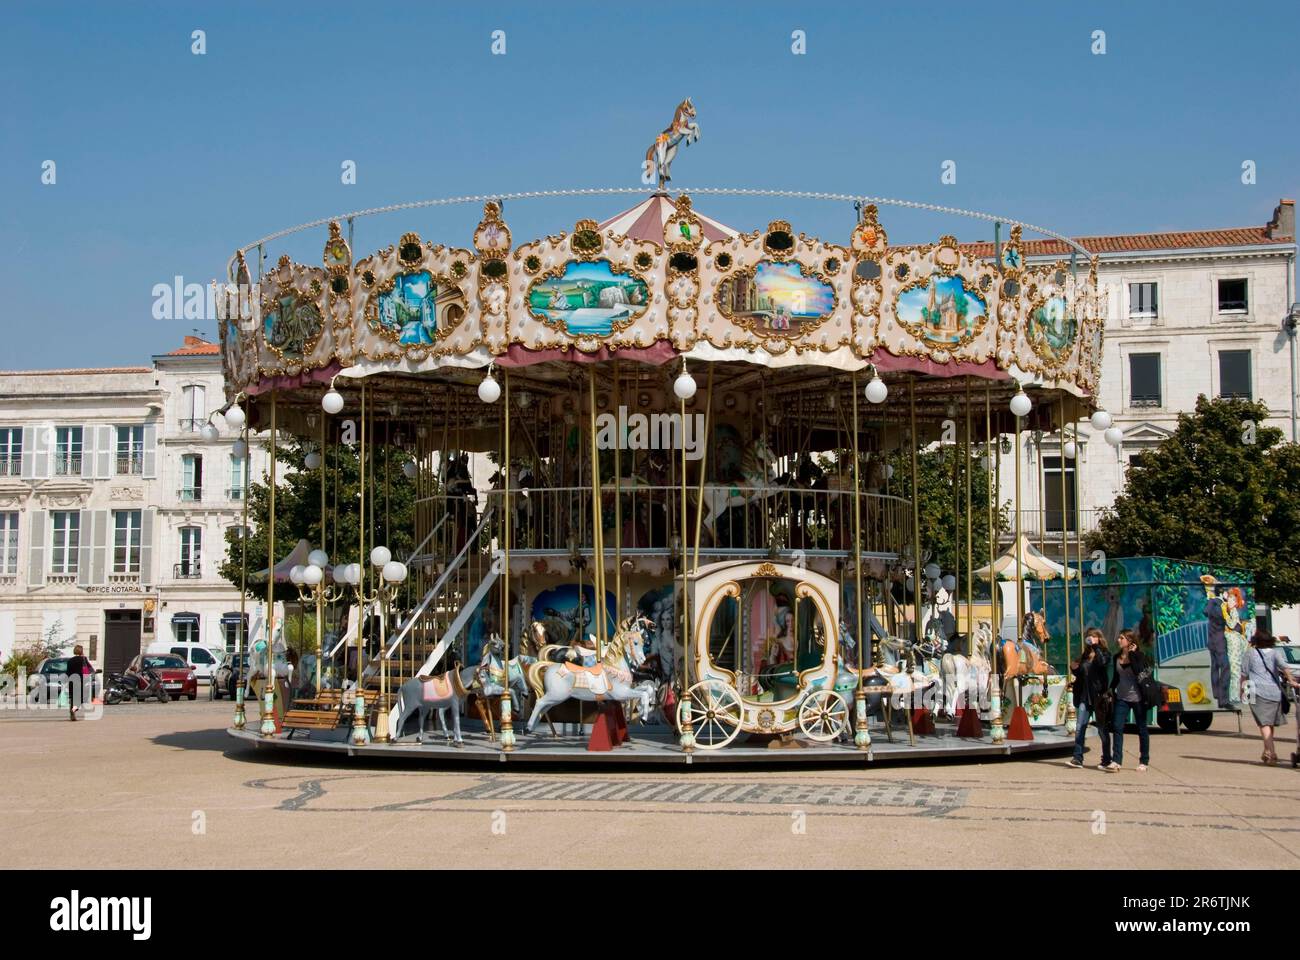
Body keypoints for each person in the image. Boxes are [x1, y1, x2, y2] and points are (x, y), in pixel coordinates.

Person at [1243, 627, 1299, 765]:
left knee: (1263, 723)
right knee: (1269, 723)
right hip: (1274, 691)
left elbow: (1243, 673)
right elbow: (1284, 667)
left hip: (1255, 691)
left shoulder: (1250, 653)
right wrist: (1291, 681)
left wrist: (1242, 690)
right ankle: (1267, 750)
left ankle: (1271, 753)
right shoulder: (1274, 653)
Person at [1068, 628, 1112, 769]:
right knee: (1080, 727)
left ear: (1099, 638)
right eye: (1089, 636)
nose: (1090, 638)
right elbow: (1081, 674)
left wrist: (1096, 646)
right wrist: (1074, 669)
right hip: (1084, 697)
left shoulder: (1104, 653)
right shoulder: (1085, 656)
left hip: (1099, 697)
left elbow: (1102, 663)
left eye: (1093, 636)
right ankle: (1077, 757)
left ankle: (1106, 759)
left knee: (1102, 729)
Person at [1109, 629, 1151, 772]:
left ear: (1130, 641)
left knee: (1142, 729)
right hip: (1122, 697)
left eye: (1122, 638)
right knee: (1117, 727)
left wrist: (1133, 654)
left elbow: (1141, 671)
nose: (1119, 640)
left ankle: (1144, 760)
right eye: (1119, 638)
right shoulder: (1117, 657)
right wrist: (1110, 689)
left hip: (1138, 698)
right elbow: (1116, 677)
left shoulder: (1139, 656)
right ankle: (1116, 760)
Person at [64, 644, 90, 721]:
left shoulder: (70, 660)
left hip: (71, 681)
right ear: (81, 651)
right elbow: (88, 668)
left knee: (73, 697)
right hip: (80, 680)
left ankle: (73, 712)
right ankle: (74, 710)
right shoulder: (83, 659)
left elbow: (68, 672)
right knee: (81, 698)